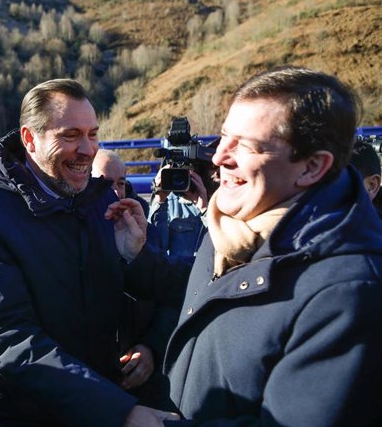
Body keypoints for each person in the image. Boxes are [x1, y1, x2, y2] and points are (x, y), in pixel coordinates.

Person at [125, 66, 382, 425]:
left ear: (311, 167)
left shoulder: (351, 293)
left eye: (244, 146)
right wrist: (136, 257)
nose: (218, 158)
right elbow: (204, 300)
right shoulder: (233, 226)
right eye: (224, 136)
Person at [0, 79, 180, 426]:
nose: (88, 149)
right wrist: (118, 410)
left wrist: (136, 257)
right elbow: (8, 337)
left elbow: (147, 298)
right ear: (30, 139)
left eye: (92, 134)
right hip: (27, 416)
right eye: (70, 135)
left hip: (104, 401)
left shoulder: (99, 199)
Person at [91, 148, 156, 397]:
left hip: (136, 377)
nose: (116, 193)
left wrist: (151, 347)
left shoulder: (144, 230)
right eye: (105, 184)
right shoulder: (67, 231)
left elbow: (166, 300)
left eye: (121, 183)